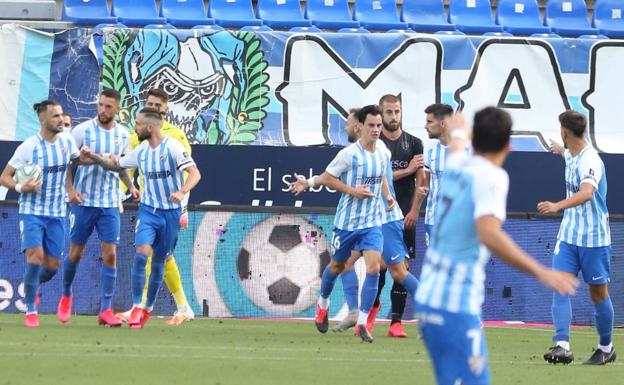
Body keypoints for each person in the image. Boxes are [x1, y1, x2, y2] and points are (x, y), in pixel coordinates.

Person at [415, 107, 578, 385]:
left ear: (475, 138)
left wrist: (456, 131)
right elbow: (489, 233)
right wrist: (543, 272)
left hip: (429, 299)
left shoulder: (455, 166)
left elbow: (455, 148)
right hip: (454, 303)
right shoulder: (492, 176)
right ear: (508, 145)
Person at [295, 108, 421, 340]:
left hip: (373, 223)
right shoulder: (349, 154)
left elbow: (382, 175)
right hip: (347, 224)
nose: (376, 130)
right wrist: (350, 190)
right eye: (371, 125)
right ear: (360, 127)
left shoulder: (382, 151)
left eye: (378, 126)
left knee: (374, 267)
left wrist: (387, 195)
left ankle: (362, 322)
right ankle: (322, 304)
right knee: (337, 266)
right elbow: (329, 178)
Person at [85, 107, 201, 328]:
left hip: (170, 214)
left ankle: (147, 308)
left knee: (159, 262)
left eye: (137, 124)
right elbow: (116, 165)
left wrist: (182, 191)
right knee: (141, 255)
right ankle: (137, 306)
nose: (134, 128)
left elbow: (195, 173)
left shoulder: (173, 148)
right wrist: (93, 156)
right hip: (148, 212)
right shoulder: (141, 151)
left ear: (149, 127)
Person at [538, 110, 616, 365]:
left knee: (598, 293)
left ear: (565, 131)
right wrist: (559, 149)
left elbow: (586, 193)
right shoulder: (571, 152)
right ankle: (562, 345)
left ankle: (606, 348)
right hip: (569, 235)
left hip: (594, 239)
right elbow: (568, 156)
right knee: (559, 284)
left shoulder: (589, 159)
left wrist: (557, 205)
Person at [58, 89, 138, 327]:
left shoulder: (123, 135)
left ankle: (105, 309)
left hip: (110, 203)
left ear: (117, 109)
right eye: (101, 105)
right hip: (84, 202)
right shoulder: (82, 130)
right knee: (76, 252)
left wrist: (131, 187)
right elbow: (67, 163)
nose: (103, 110)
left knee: (110, 254)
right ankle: (66, 295)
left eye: (108, 107)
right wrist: (70, 191)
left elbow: (122, 166)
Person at [116, 88, 196, 325]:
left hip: (170, 209)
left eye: (157, 105)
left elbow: (186, 174)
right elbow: (126, 170)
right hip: (148, 207)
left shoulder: (176, 136)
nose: (152, 107)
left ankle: (140, 309)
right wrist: (121, 196)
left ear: (165, 109)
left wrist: (183, 207)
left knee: (159, 257)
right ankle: (181, 307)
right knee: (156, 257)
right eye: (149, 103)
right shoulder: (136, 136)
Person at [0, 100, 80, 328]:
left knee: (52, 266)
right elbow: (5, 176)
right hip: (32, 211)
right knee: (35, 256)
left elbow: (74, 162)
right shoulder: (28, 148)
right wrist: (20, 187)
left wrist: (90, 159)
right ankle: (31, 311)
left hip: (57, 212)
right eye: (55, 116)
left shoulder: (67, 141)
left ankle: (32, 286)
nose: (60, 120)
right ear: (42, 119)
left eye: (61, 115)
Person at [367, 94, 425, 337]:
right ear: (381, 113)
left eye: (397, 112)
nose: (393, 117)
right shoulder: (375, 143)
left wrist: (414, 210)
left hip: (405, 214)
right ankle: (370, 313)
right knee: (377, 267)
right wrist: (407, 169)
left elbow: (421, 178)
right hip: (378, 214)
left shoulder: (414, 143)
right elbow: (379, 175)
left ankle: (396, 323)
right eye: (389, 112)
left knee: (402, 267)